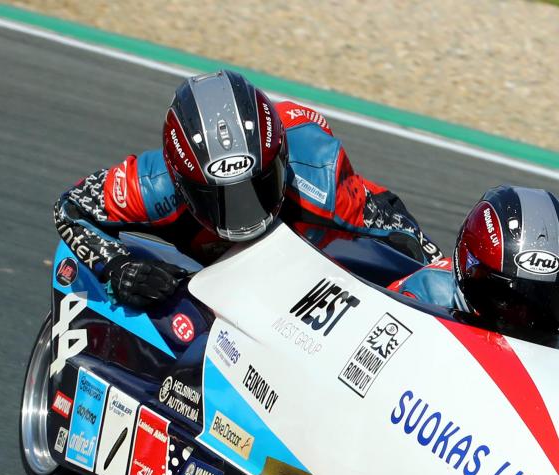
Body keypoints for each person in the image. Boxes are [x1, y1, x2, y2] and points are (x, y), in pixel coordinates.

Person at [54, 69, 439, 307]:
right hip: (215, 283)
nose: (243, 214)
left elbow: (414, 244)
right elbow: (71, 206)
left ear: (280, 161)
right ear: (182, 182)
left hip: (317, 272)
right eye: (218, 198)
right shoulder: (154, 184)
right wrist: (116, 266)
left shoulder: (321, 180)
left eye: (258, 187)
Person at [388, 185, 559, 342]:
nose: (523, 319)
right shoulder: (422, 299)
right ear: (468, 270)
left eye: (543, 303)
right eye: (505, 299)